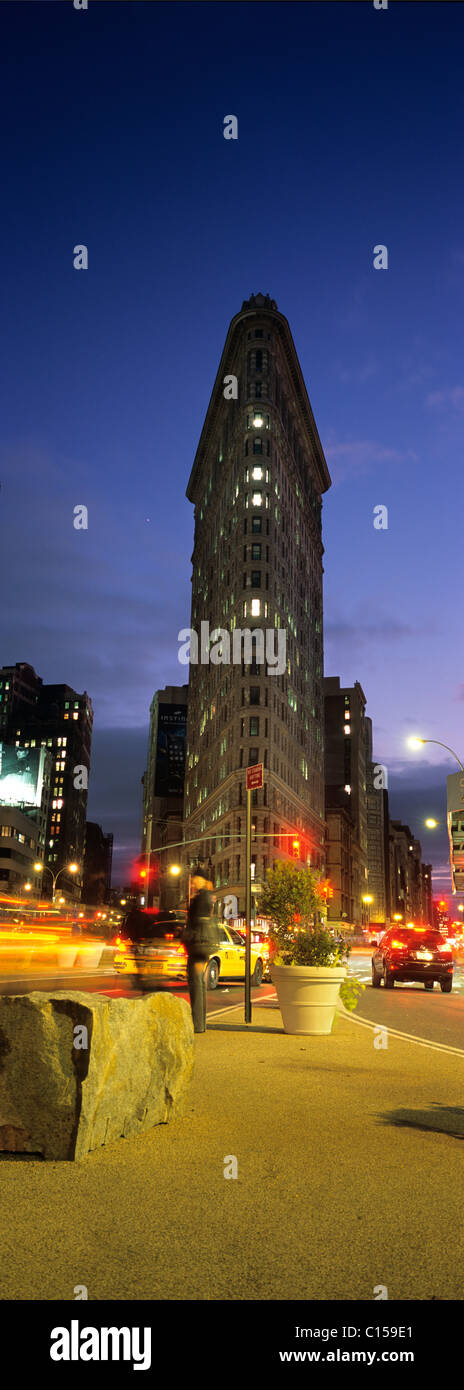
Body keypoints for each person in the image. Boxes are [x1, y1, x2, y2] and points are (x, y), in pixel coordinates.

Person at [184, 870, 217, 1033]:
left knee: (196, 983)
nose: (192, 883)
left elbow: (198, 922)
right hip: (201, 944)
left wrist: (187, 936)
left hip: (199, 945)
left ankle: (197, 1024)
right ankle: (199, 1024)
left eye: (195, 879)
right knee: (198, 983)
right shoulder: (205, 896)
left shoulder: (202, 898)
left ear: (203, 880)